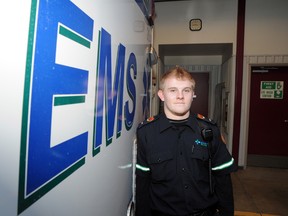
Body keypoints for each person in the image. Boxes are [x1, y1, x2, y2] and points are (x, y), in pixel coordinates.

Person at [135, 66, 237, 216]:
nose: (180, 96)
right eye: (173, 90)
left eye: (186, 90)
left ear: (193, 94)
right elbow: (143, 184)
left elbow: (223, 181)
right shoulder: (146, 133)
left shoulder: (210, 130)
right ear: (161, 95)